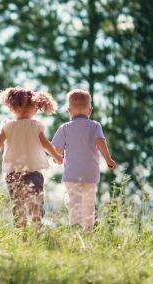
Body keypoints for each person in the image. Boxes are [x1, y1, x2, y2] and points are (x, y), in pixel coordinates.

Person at [0, 87, 63, 228]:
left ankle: (20, 230)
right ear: (35, 108)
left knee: (17, 205)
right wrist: (57, 156)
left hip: (13, 173)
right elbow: (46, 145)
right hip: (33, 172)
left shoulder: (8, 126)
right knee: (36, 203)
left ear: (12, 107)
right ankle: (37, 228)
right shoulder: (35, 126)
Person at [51, 89, 117, 232]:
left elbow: (56, 149)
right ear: (90, 110)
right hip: (90, 174)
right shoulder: (95, 125)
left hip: (72, 175)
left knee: (74, 204)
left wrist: (57, 158)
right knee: (89, 205)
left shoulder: (65, 128)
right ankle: (88, 231)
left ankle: (75, 231)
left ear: (69, 110)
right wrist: (108, 159)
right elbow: (100, 141)